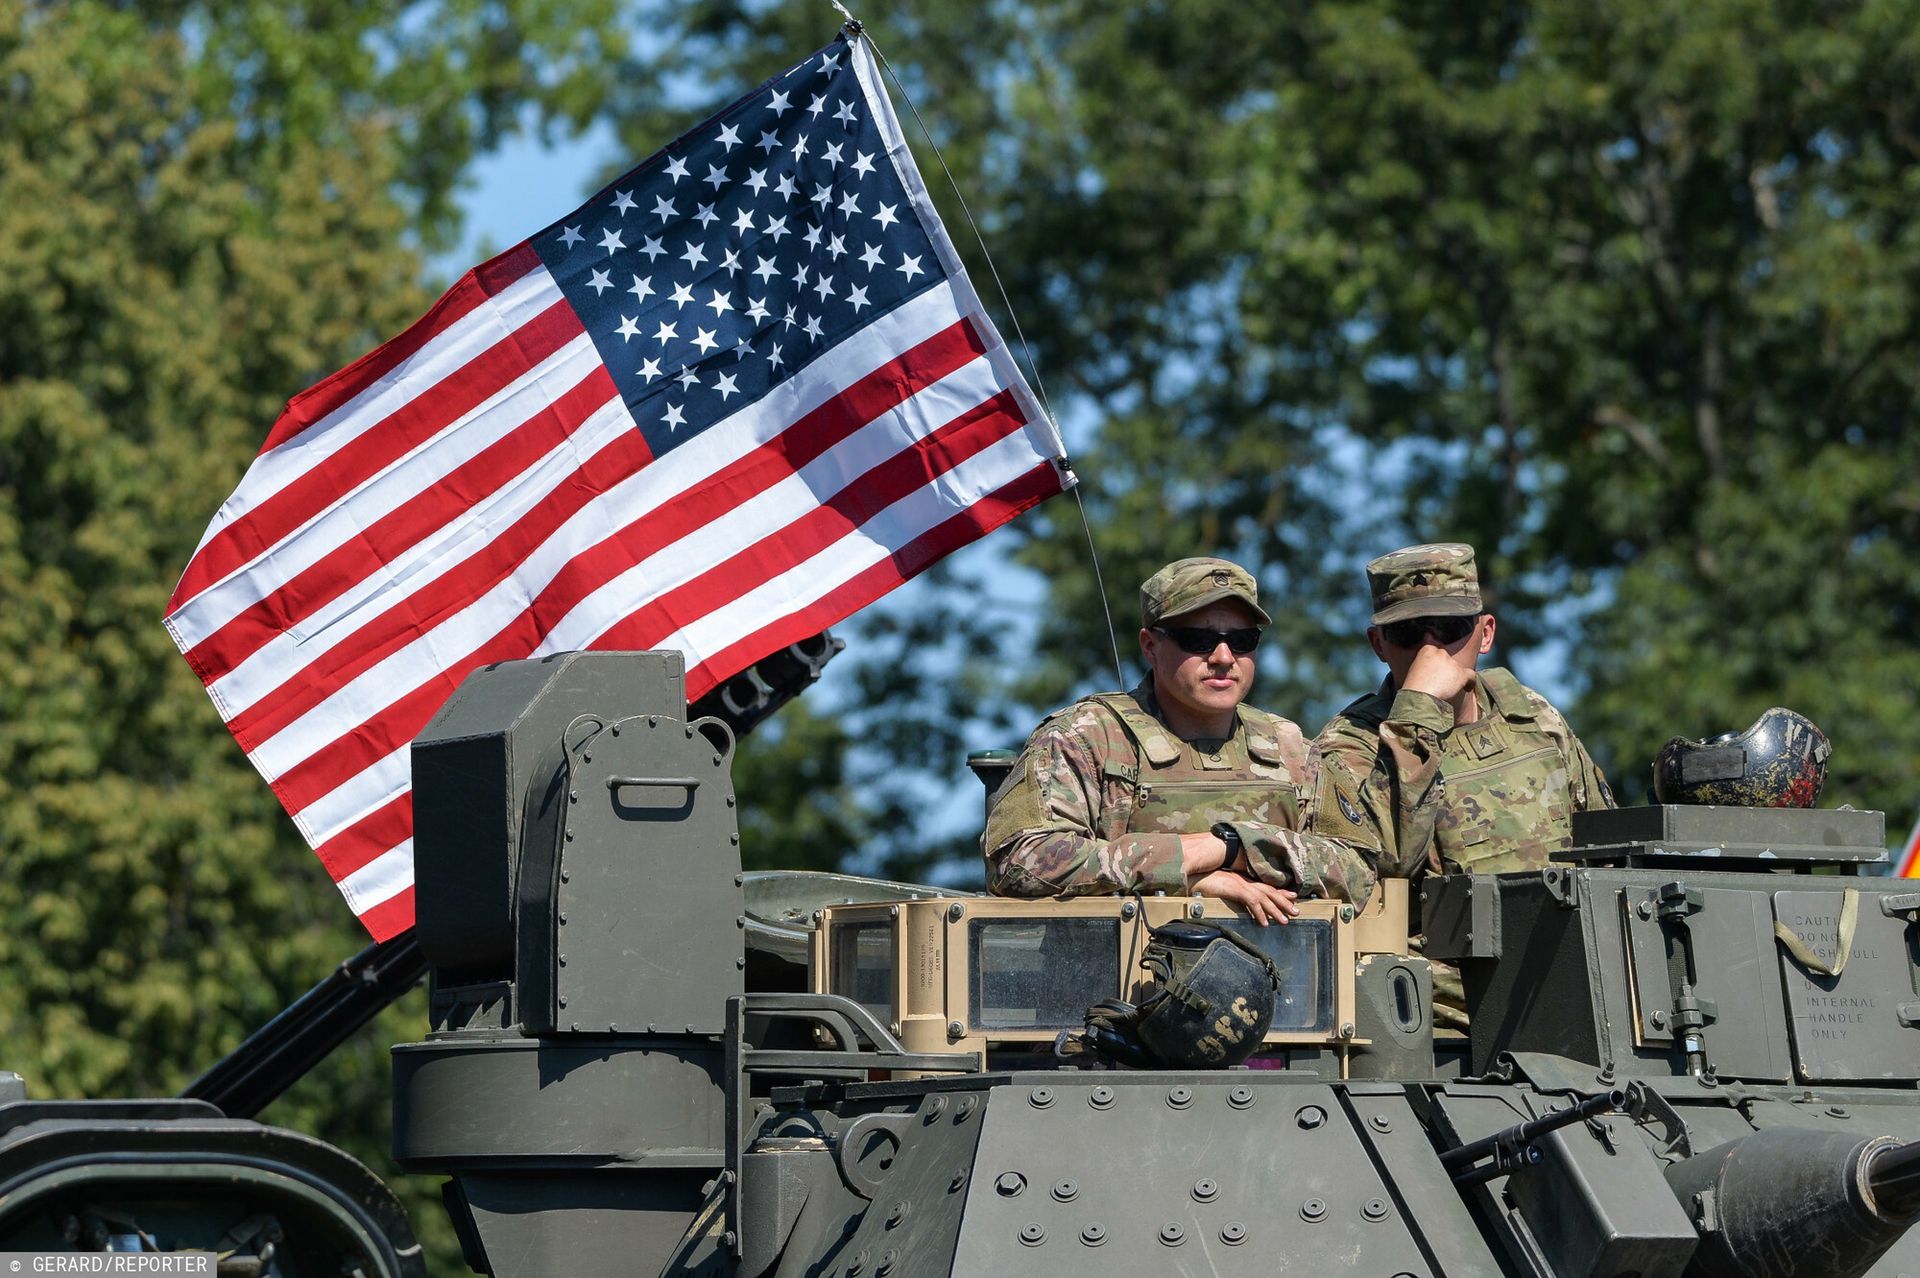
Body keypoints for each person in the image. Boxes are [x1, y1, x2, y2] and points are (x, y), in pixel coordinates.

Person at [982, 556, 1450, 923]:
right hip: (1119, 1014)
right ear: (1150, 645)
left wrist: (1235, 846)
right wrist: (1190, 872)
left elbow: (1359, 870)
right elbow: (1022, 861)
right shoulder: (1088, 738)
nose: (1224, 657)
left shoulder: (1288, 747)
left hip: (1284, 1015)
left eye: (1242, 639)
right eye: (1197, 640)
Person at [1313, 542, 1614, 1029]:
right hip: (1440, 1029)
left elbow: (1604, 845)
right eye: (1410, 633)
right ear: (1378, 644)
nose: (1433, 652)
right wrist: (1415, 713)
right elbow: (1379, 866)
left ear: (1486, 632)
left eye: (1451, 630)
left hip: (1566, 997)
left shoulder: (1533, 717)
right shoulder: (1352, 744)